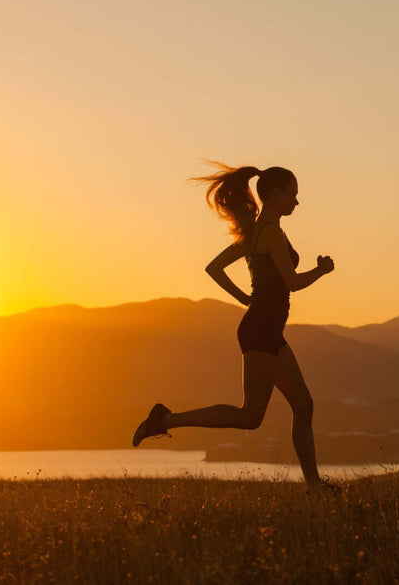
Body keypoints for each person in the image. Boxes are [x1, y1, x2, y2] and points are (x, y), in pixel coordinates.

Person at [131, 163, 335, 487]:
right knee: (250, 417)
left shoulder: (258, 231)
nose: (297, 202)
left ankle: (314, 486)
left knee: (303, 405)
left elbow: (214, 268)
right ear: (277, 193)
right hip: (261, 331)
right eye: (294, 195)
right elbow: (292, 282)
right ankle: (164, 419)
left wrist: (245, 297)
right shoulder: (267, 232)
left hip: (266, 330)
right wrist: (321, 271)